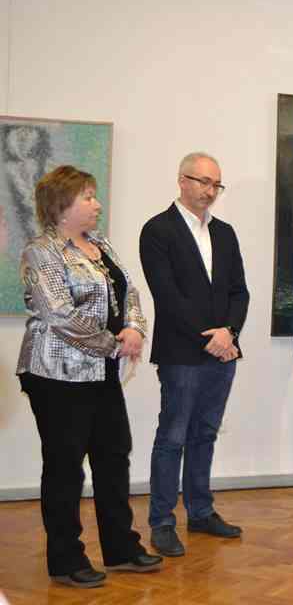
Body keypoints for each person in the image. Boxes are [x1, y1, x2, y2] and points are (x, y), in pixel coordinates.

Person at [16, 165, 162, 588]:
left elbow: (130, 292)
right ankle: (66, 559)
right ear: (62, 205)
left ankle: (121, 547)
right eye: (88, 197)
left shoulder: (101, 245)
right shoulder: (41, 251)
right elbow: (59, 314)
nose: (97, 204)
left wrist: (134, 329)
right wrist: (114, 343)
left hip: (101, 371)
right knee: (65, 467)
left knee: (114, 455)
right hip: (56, 375)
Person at [139, 152, 250, 556]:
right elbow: (167, 296)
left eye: (216, 184)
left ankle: (200, 512)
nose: (210, 190)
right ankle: (162, 522)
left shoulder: (225, 233)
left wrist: (229, 332)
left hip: (223, 351)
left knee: (205, 434)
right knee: (172, 437)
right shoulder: (158, 230)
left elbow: (239, 292)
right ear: (182, 181)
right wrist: (210, 338)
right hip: (181, 353)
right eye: (203, 181)